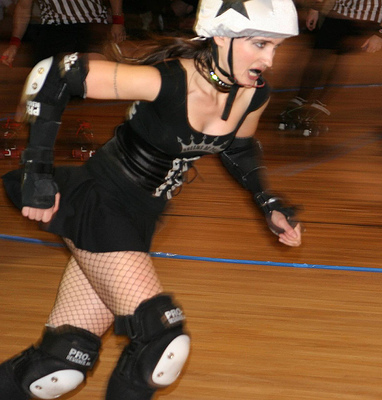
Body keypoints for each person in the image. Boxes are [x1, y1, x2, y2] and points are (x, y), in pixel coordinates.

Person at [0, 0, 302, 399]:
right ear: (220, 37)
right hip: (100, 203)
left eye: (276, 46)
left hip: (140, 218)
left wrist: (268, 202)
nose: (269, 59)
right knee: (162, 343)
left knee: (58, 365)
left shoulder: (253, 95)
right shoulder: (169, 80)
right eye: (260, 44)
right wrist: (37, 171)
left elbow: (239, 147)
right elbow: (55, 73)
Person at [279, 0, 382, 135]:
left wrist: (381, 31)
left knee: (340, 59)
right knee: (318, 56)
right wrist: (315, 9)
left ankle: (318, 107)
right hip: (338, 12)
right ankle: (299, 101)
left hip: (365, 19)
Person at [1, 0, 126, 68]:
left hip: (90, 24)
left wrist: (118, 21)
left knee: (93, 75)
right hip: (54, 27)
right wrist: (14, 43)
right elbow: (23, 7)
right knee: (45, 78)